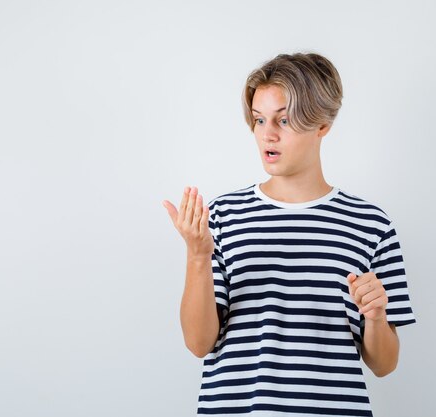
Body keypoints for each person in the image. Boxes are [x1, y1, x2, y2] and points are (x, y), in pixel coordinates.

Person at [162, 52, 416, 416]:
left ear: (322, 124)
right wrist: (198, 255)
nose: (268, 133)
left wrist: (375, 317)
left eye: (284, 119)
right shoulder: (222, 216)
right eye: (259, 119)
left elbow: (383, 364)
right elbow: (198, 343)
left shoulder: (370, 224)